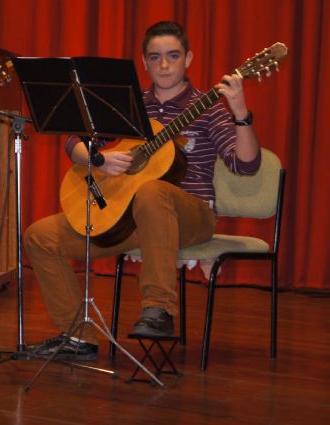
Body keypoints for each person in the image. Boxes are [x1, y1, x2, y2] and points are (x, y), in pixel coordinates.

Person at [24, 21, 261, 360]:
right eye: (156, 57)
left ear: (189, 59)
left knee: (152, 191)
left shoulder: (207, 108)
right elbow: (75, 141)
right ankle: (78, 338)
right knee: (39, 236)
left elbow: (246, 166)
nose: (164, 65)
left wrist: (240, 113)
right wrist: (98, 160)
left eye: (173, 56)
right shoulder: (129, 105)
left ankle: (159, 310)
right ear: (144, 62)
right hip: (131, 219)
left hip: (192, 215)